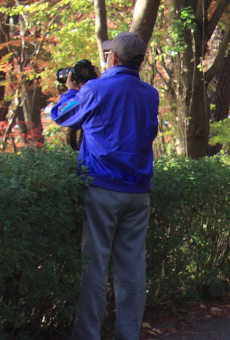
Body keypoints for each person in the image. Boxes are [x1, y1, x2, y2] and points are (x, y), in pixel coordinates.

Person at [49, 33, 160, 340]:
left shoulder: (96, 89)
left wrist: (71, 91)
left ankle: (88, 335)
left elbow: (63, 116)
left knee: (95, 267)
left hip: (101, 188)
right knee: (132, 271)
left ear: (113, 58)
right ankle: (128, 335)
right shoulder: (150, 94)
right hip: (138, 192)